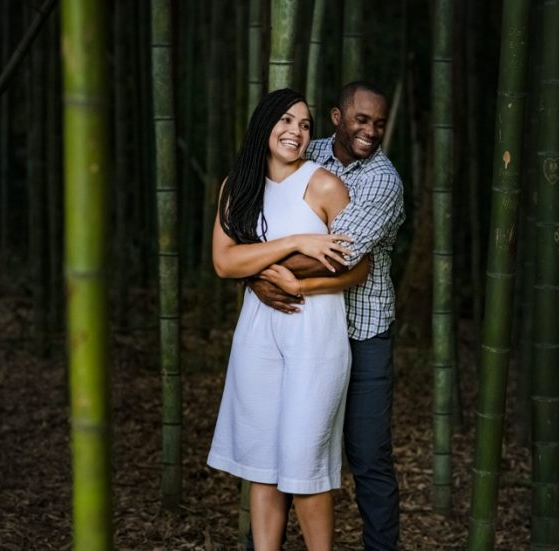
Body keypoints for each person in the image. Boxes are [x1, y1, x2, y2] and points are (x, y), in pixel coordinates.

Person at [246, 81, 406, 550]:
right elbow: (257, 209)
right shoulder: (305, 149)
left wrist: (253, 268)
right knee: (279, 442)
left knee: (368, 455)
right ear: (337, 117)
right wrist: (251, 270)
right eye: (362, 119)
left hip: (362, 331)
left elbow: (338, 256)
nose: (371, 131)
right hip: (302, 328)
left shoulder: (383, 181)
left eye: (379, 123)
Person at [207, 88, 368, 551]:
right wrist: (298, 241)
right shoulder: (237, 186)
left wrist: (302, 284)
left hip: (315, 333)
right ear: (265, 125)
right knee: (262, 462)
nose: (296, 131)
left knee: (304, 466)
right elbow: (223, 262)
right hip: (257, 332)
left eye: (305, 124)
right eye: (286, 121)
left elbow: (361, 266)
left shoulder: (325, 186)